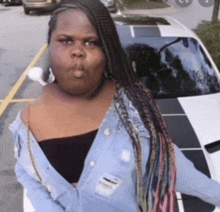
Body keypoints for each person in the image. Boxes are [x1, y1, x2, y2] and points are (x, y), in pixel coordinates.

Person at [9, 0, 220, 211]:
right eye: (66, 40)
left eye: (91, 42)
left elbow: (180, 174)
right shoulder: (26, 124)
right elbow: (28, 176)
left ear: (107, 53)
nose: (77, 51)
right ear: (50, 46)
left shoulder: (134, 120)